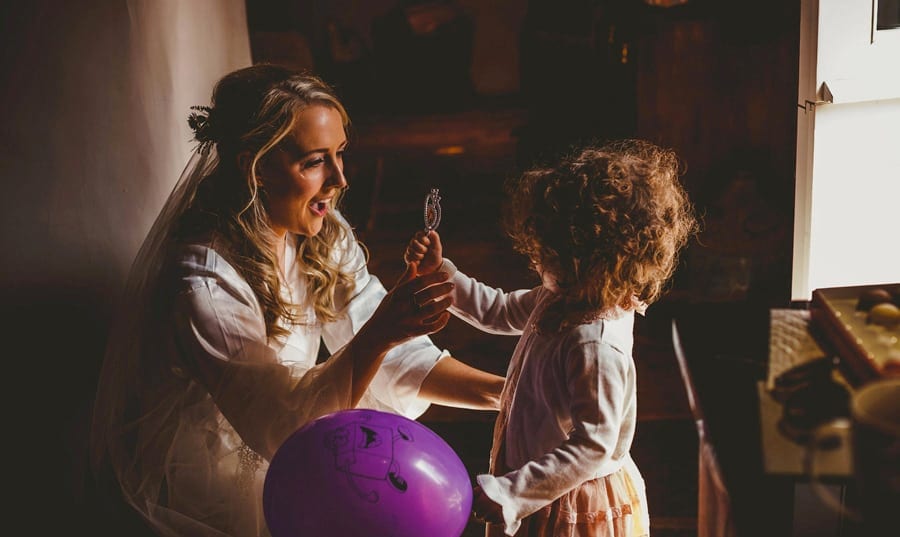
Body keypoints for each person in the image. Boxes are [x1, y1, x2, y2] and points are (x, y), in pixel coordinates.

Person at [89, 64, 504, 537]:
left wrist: (510, 393)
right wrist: (384, 330)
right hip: (214, 484)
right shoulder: (203, 281)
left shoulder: (321, 231)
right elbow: (278, 430)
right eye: (314, 161)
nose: (340, 180)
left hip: (298, 444)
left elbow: (394, 355)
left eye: (340, 154)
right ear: (257, 166)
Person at [405, 139, 698, 536]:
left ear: (590, 262)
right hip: (537, 476)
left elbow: (593, 446)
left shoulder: (594, 344)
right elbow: (501, 310)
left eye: (549, 253)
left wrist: (513, 492)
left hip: (567, 499)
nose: (536, 259)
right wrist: (445, 276)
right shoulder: (561, 294)